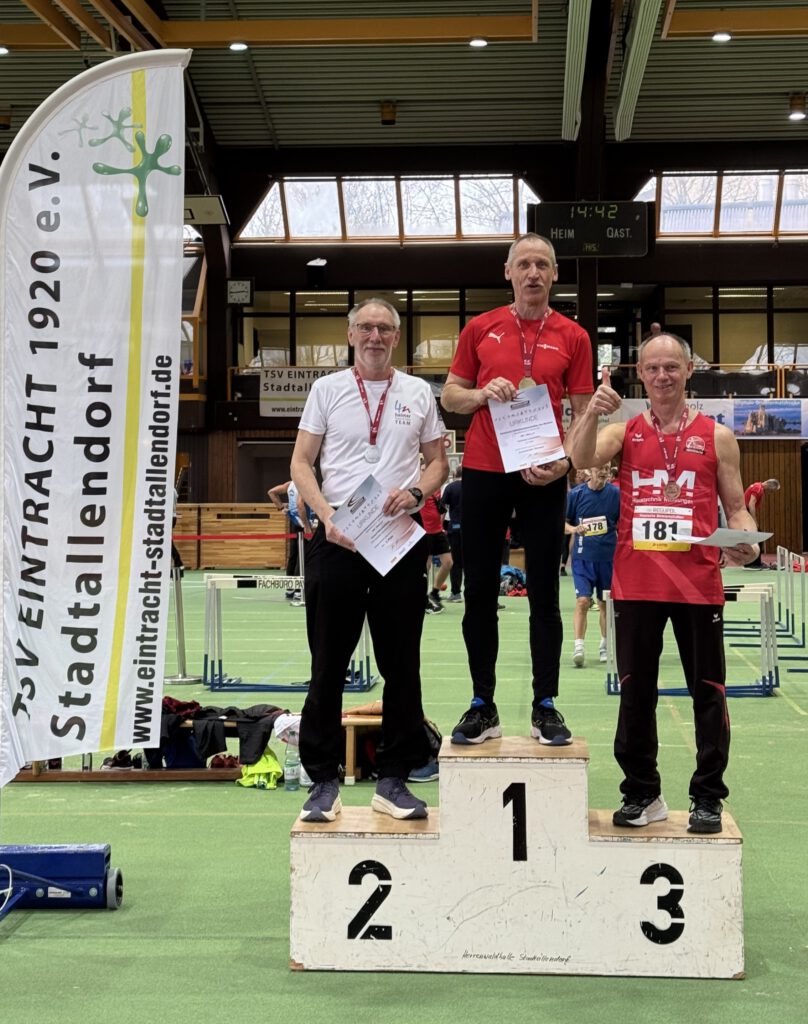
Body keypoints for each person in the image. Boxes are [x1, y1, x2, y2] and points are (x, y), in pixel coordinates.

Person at [568, 332, 759, 834]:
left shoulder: (718, 436)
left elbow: (736, 508)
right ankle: (642, 793)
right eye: (652, 368)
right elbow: (579, 458)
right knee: (635, 694)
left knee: (708, 693)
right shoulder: (624, 431)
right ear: (640, 374)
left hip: (698, 585)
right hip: (636, 584)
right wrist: (591, 413)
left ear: (688, 370)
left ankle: (708, 797)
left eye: (671, 366)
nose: (662, 376)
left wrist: (748, 540)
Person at [291, 297, 449, 822]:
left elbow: (439, 462)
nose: (375, 336)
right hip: (337, 537)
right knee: (327, 663)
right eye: (366, 327)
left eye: (384, 328)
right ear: (350, 334)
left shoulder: (418, 392)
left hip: (396, 539)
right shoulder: (327, 389)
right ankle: (323, 782)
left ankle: (394, 779)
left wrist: (417, 493)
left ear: (396, 337)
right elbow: (301, 462)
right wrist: (325, 515)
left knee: (402, 664)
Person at [440, 233, 594, 746]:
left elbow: (583, 413)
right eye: (524, 264)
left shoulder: (574, 335)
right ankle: (482, 705)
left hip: (542, 473)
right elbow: (450, 396)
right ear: (508, 272)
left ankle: (545, 704)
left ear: (554, 274)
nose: (533, 273)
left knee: (545, 593)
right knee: (479, 591)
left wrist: (566, 462)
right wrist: (482, 393)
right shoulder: (480, 328)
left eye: (542, 265)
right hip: (484, 471)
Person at [565, 463, 620, 667]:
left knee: (605, 603)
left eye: (607, 468)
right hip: (582, 558)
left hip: (607, 559)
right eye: (600, 468)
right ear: (589, 470)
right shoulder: (576, 494)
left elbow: (624, 523)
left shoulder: (616, 494)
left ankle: (605, 645)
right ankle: (578, 646)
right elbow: (562, 522)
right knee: (583, 601)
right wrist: (574, 529)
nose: (604, 472)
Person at [268, 479, 313, 603]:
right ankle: (298, 590)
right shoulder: (304, 484)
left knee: (293, 556)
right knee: (301, 556)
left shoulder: (289, 484)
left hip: (293, 522)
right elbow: (300, 505)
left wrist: (281, 507)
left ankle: (289, 589)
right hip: (302, 522)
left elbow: (271, 492)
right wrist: (307, 526)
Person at [421, 489, 452, 613]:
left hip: (438, 531)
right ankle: (423, 600)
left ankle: (434, 593)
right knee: (426, 566)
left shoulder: (438, 488)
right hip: (424, 531)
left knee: (448, 562)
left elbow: (440, 508)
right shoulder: (421, 483)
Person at [743, 478, 780, 568]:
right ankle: (754, 563)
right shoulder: (758, 489)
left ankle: (752, 562)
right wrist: (754, 521)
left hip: (745, 512)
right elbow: (751, 504)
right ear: (770, 486)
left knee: (754, 538)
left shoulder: (757, 486)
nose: (770, 493)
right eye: (772, 491)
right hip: (747, 512)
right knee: (757, 537)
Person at [441, 466, 464, 601]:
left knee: (456, 562)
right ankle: (473, 593)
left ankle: (456, 593)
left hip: (455, 529)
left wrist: (440, 526)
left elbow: (442, 508)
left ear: (455, 474)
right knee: (471, 562)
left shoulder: (450, 487)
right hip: (471, 530)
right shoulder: (471, 487)